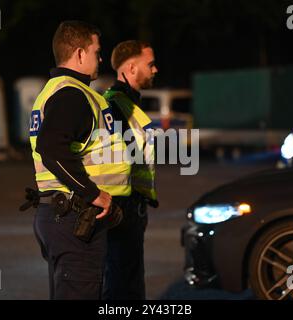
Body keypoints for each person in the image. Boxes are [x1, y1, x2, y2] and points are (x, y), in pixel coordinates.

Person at [28, 21, 131, 300]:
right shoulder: (72, 94)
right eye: (96, 51)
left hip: (60, 214)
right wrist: (93, 193)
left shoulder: (56, 90)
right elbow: (51, 148)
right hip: (73, 216)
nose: (100, 58)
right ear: (79, 53)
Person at [102, 40, 159, 300]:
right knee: (122, 286)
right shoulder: (115, 105)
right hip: (122, 206)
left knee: (127, 282)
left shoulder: (129, 105)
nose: (155, 69)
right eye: (150, 64)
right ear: (132, 68)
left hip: (132, 206)